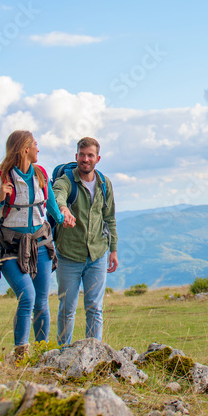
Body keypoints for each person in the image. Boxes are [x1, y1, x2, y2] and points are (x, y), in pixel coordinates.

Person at [0, 130, 75, 361]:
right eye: (35, 144)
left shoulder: (40, 175)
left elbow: (50, 207)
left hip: (41, 244)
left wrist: (63, 219)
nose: (39, 149)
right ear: (25, 149)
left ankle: (40, 354)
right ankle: (21, 355)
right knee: (27, 297)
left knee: (41, 301)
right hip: (9, 247)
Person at [52, 136, 118, 346]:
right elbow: (57, 195)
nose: (85, 159)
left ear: (97, 158)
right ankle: (63, 354)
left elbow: (109, 218)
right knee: (67, 309)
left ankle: (93, 355)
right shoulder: (66, 181)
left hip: (97, 254)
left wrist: (113, 250)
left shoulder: (104, 183)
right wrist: (62, 209)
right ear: (76, 156)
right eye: (82, 155)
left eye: (90, 155)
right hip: (69, 255)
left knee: (94, 308)